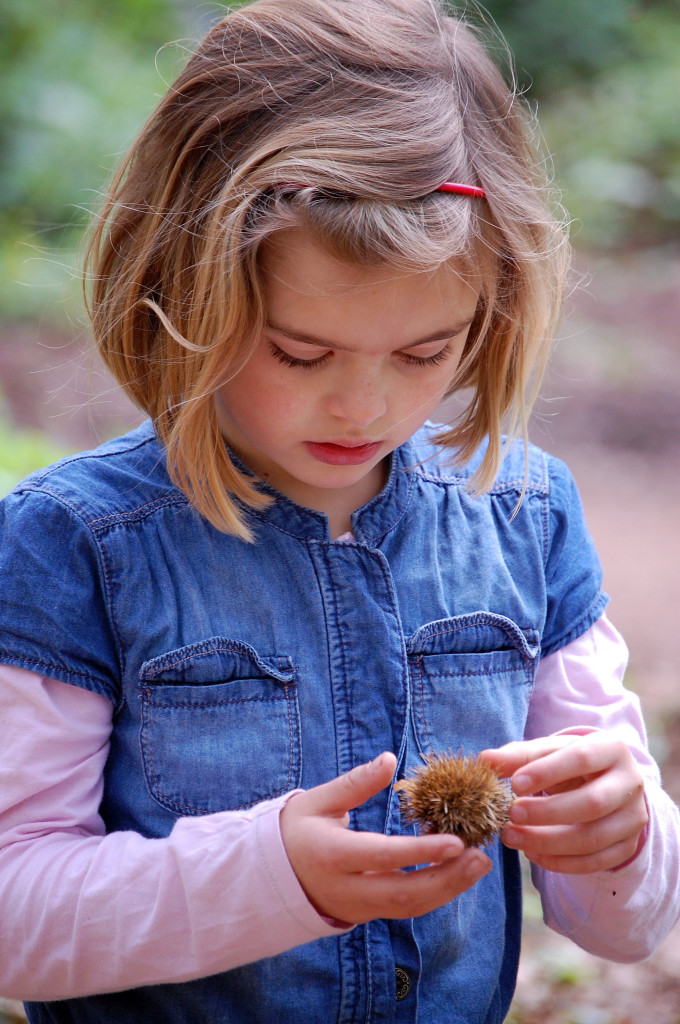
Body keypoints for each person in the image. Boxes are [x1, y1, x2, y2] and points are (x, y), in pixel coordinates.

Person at [0, 0, 678, 1021]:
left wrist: (620, 830)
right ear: (184, 291)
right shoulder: (74, 544)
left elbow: (619, 924)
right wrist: (267, 876)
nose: (363, 405)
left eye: (423, 352)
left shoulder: (524, 514)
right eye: (299, 352)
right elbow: (15, 914)